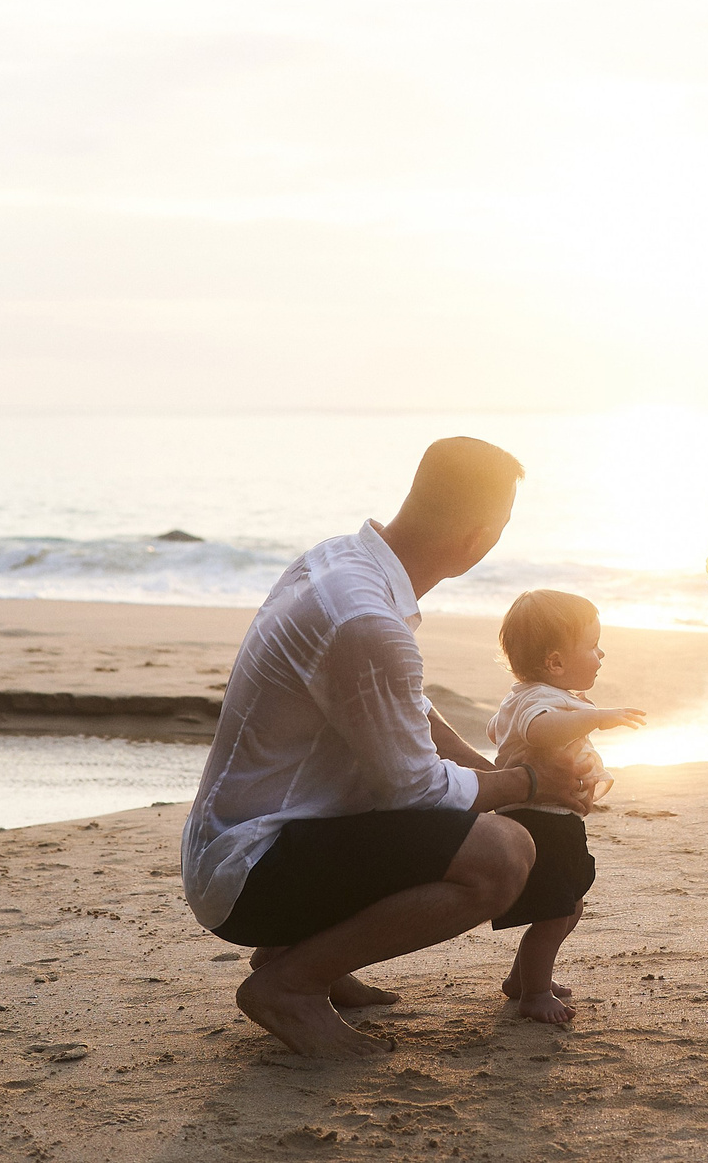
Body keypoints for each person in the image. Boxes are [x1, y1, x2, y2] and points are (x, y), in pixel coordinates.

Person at [180, 437, 597, 1058]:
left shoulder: (343, 564)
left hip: (241, 842)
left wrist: (494, 773)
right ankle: (290, 986)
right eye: (502, 527)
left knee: (485, 815)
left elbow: (409, 711)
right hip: (252, 870)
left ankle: (300, 953)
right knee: (503, 854)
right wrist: (530, 786)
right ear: (477, 538)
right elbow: (417, 788)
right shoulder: (367, 620)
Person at [482, 588, 648, 1024]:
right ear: (554, 662)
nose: (601, 653)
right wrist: (594, 717)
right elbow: (539, 731)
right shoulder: (539, 700)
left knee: (568, 904)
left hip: (556, 818)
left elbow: (495, 732)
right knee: (557, 911)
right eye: (592, 646)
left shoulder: (529, 696)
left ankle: (522, 979)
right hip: (541, 822)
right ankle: (533, 994)